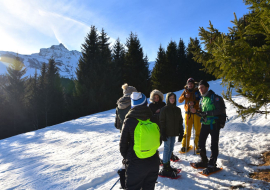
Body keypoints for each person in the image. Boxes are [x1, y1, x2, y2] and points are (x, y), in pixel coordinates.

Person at [120, 92, 161, 190]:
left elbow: (123, 146)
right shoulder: (153, 118)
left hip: (136, 164)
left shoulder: (129, 121)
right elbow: (160, 140)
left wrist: (128, 158)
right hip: (153, 161)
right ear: (145, 104)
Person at [191, 80, 225, 174]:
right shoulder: (202, 99)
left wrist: (205, 113)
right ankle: (204, 161)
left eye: (202, 87)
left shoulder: (215, 98)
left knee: (214, 145)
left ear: (207, 87)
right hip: (205, 124)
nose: (200, 89)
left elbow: (219, 111)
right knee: (200, 143)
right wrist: (196, 112)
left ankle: (212, 164)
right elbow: (203, 114)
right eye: (199, 88)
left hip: (214, 124)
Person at [149, 89, 179, 164]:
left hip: (164, 126)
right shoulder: (151, 105)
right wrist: (156, 114)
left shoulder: (163, 104)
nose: (156, 99)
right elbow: (150, 117)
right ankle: (157, 157)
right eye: (155, 97)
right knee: (156, 142)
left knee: (168, 144)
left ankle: (170, 155)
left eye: (157, 97)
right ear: (152, 98)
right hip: (155, 127)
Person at [158, 92, 184, 178]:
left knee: (171, 148)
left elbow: (180, 121)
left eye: (173, 98)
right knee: (166, 148)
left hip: (174, 132)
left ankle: (168, 164)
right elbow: (162, 122)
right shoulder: (164, 109)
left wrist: (181, 132)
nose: (172, 99)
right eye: (170, 98)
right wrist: (163, 133)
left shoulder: (177, 109)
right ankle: (165, 167)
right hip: (167, 133)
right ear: (167, 99)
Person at [178, 78, 201, 153]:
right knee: (187, 130)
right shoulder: (185, 91)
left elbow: (201, 101)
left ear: (194, 84)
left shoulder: (197, 91)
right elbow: (179, 100)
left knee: (198, 130)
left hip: (196, 113)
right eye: (189, 83)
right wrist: (184, 96)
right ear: (187, 84)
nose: (190, 85)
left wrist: (194, 103)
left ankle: (198, 147)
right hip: (188, 114)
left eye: (191, 83)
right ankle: (185, 146)